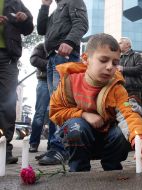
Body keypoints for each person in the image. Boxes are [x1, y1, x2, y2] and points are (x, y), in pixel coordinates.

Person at [49, 33, 142, 172]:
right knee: (76, 126)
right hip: (79, 138)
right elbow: (56, 112)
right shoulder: (69, 83)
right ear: (86, 59)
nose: (110, 67)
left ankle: (112, 169)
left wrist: (139, 141)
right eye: (103, 60)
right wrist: (84, 114)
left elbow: (129, 115)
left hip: (108, 140)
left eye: (115, 63)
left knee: (122, 132)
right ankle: (78, 171)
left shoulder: (117, 89)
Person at [36, 0, 89, 165]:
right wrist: (44, 6)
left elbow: (82, 23)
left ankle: (62, 149)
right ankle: (55, 146)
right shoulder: (56, 9)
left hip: (65, 55)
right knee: (55, 105)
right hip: (52, 56)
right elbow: (41, 29)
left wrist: (70, 42)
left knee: (63, 103)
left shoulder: (73, 1)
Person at [0, 0, 33, 164]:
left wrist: (25, 18)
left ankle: (3, 148)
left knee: (7, 103)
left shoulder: (15, 2)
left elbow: (29, 29)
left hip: (8, 57)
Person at [29, 43, 50, 153]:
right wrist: (51, 64)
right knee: (40, 113)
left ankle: (53, 145)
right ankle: (33, 143)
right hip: (44, 81)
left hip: (59, 81)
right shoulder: (42, 46)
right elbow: (33, 59)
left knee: (55, 114)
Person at [118, 37, 142, 102]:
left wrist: (123, 69)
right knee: (124, 108)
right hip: (121, 91)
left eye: (120, 43)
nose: (118, 44)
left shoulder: (136, 55)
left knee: (134, 109)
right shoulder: (119, 57)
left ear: (128, 45)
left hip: (133, 91)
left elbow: (140, 69)